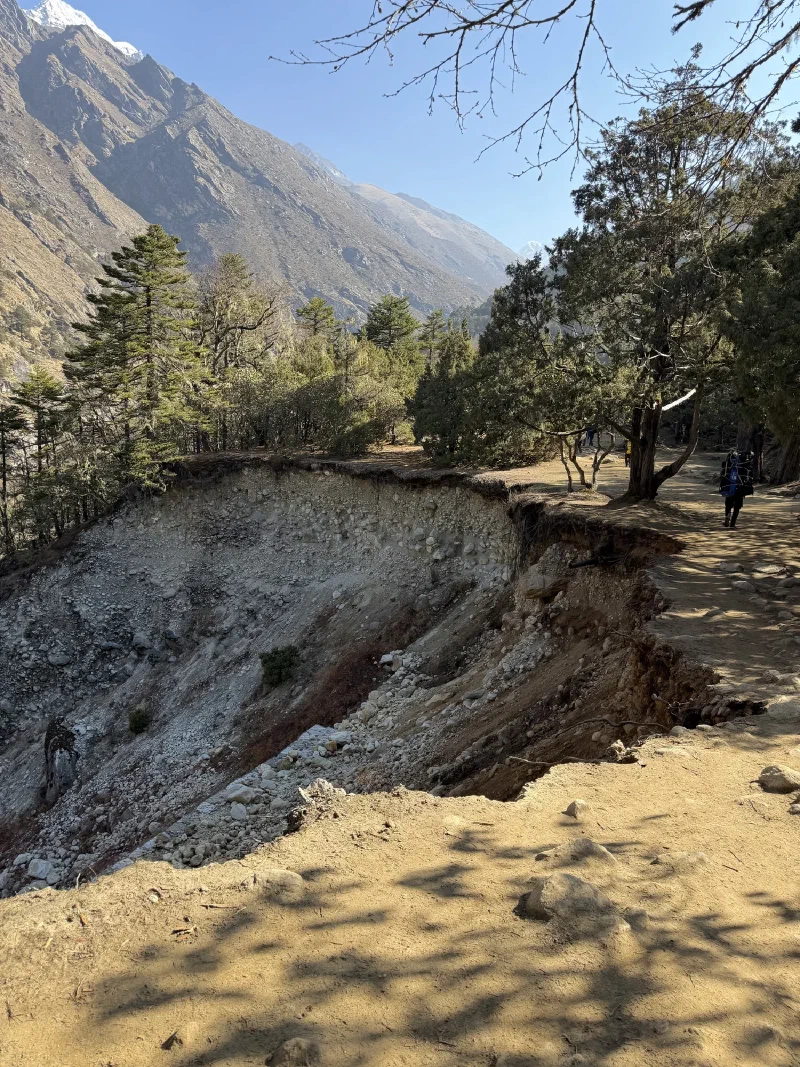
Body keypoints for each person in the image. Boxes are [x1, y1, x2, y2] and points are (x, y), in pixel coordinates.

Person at [719, 450, 754, 529]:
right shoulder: (745, 466)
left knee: (728, 504)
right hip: (740, 488)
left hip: (729, 487)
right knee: (737, 507)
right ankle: (733, 524)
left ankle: (728, 515)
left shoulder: (729, 464)